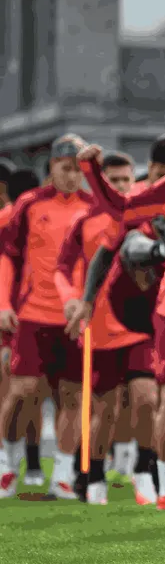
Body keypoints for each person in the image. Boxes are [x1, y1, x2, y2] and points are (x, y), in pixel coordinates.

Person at [76, 132, 165, 512]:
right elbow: (110, 251)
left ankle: (162, 473)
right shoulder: (146, 200)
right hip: (134, 314)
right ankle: (95, 475)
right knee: (114, 405)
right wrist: (87, 300)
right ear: (154, 172)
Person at [53, 151, 158, 505]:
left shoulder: (145, 220)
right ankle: (93, 475)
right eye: (114, 181)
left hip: (141, 326)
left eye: (127, 180)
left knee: (146, 398)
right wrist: (71, 299)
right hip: (99, 328)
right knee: (106, 410)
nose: (122, 187)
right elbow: (62, 269)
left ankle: (145, 471)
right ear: (100, 184)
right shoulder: (84, 221)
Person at [0, 135, 93, 500]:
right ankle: (6, 462)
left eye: (78, 169)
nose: (71, 175)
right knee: (23, 392)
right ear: (51, 167)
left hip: (75, 320)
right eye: (64, 167)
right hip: (34, 313)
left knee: (71, 396)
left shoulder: (94, 207)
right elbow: (7, 256)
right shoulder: (28, 204)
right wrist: (4, 304)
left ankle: (64, 474)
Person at [0, 167, 42, 487]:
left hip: (22, 315)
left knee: (19, 391)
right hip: (18, 314)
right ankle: (27, 461)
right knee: (27, 392)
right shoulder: (13, 220)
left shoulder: (12, 218)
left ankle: (12, 462)